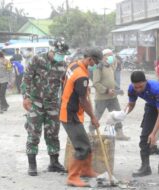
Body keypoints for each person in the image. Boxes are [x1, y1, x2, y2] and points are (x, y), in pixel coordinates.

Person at [21, 43, 68, 176]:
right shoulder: (37, 60)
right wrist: (26, 97)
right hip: (36, 103)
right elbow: (26, 78)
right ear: (53, 51)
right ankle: (32, 165)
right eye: (60, 54)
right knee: (33, 133)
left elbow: (64, 85)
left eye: (63, 55)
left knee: (53, 133)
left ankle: (54, 163)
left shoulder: (62, 65)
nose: (61, 57)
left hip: (52, 104)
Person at [59, 48, 103, 187]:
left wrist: (81, 89)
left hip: (68, 108)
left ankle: (86, 169)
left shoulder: (73, 64)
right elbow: (83, 101)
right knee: (82, 147)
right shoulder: (82, 76)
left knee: (86, 143)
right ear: (90, 59)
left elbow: (64, 80)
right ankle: (72, 177)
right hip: (70, 114)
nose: (95, 64)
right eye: (95, 62)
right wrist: (94, 117)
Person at [126, 71, 159, 177]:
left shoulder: (156, 89)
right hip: (151, 105)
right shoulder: (131, 88)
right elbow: (131, 105)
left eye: (141, 86)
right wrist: (121, 115)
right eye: (136, 87)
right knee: (144, 135)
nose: (138, 89)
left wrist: (153, 133)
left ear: (146, 82)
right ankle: (145, 167)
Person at [89, 48, 130, 141]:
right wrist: (106, 90)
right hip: (102, 97)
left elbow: (111, 80)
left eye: (112, 55)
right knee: (97, 115)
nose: (112, 57)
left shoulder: (110, 66)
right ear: (103, 57)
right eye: (109, 55)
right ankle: (91, 132)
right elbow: (96, 83)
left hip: (112, 96)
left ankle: (119, 133)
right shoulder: (98, 67)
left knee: (118, 114)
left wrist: (117, 89)